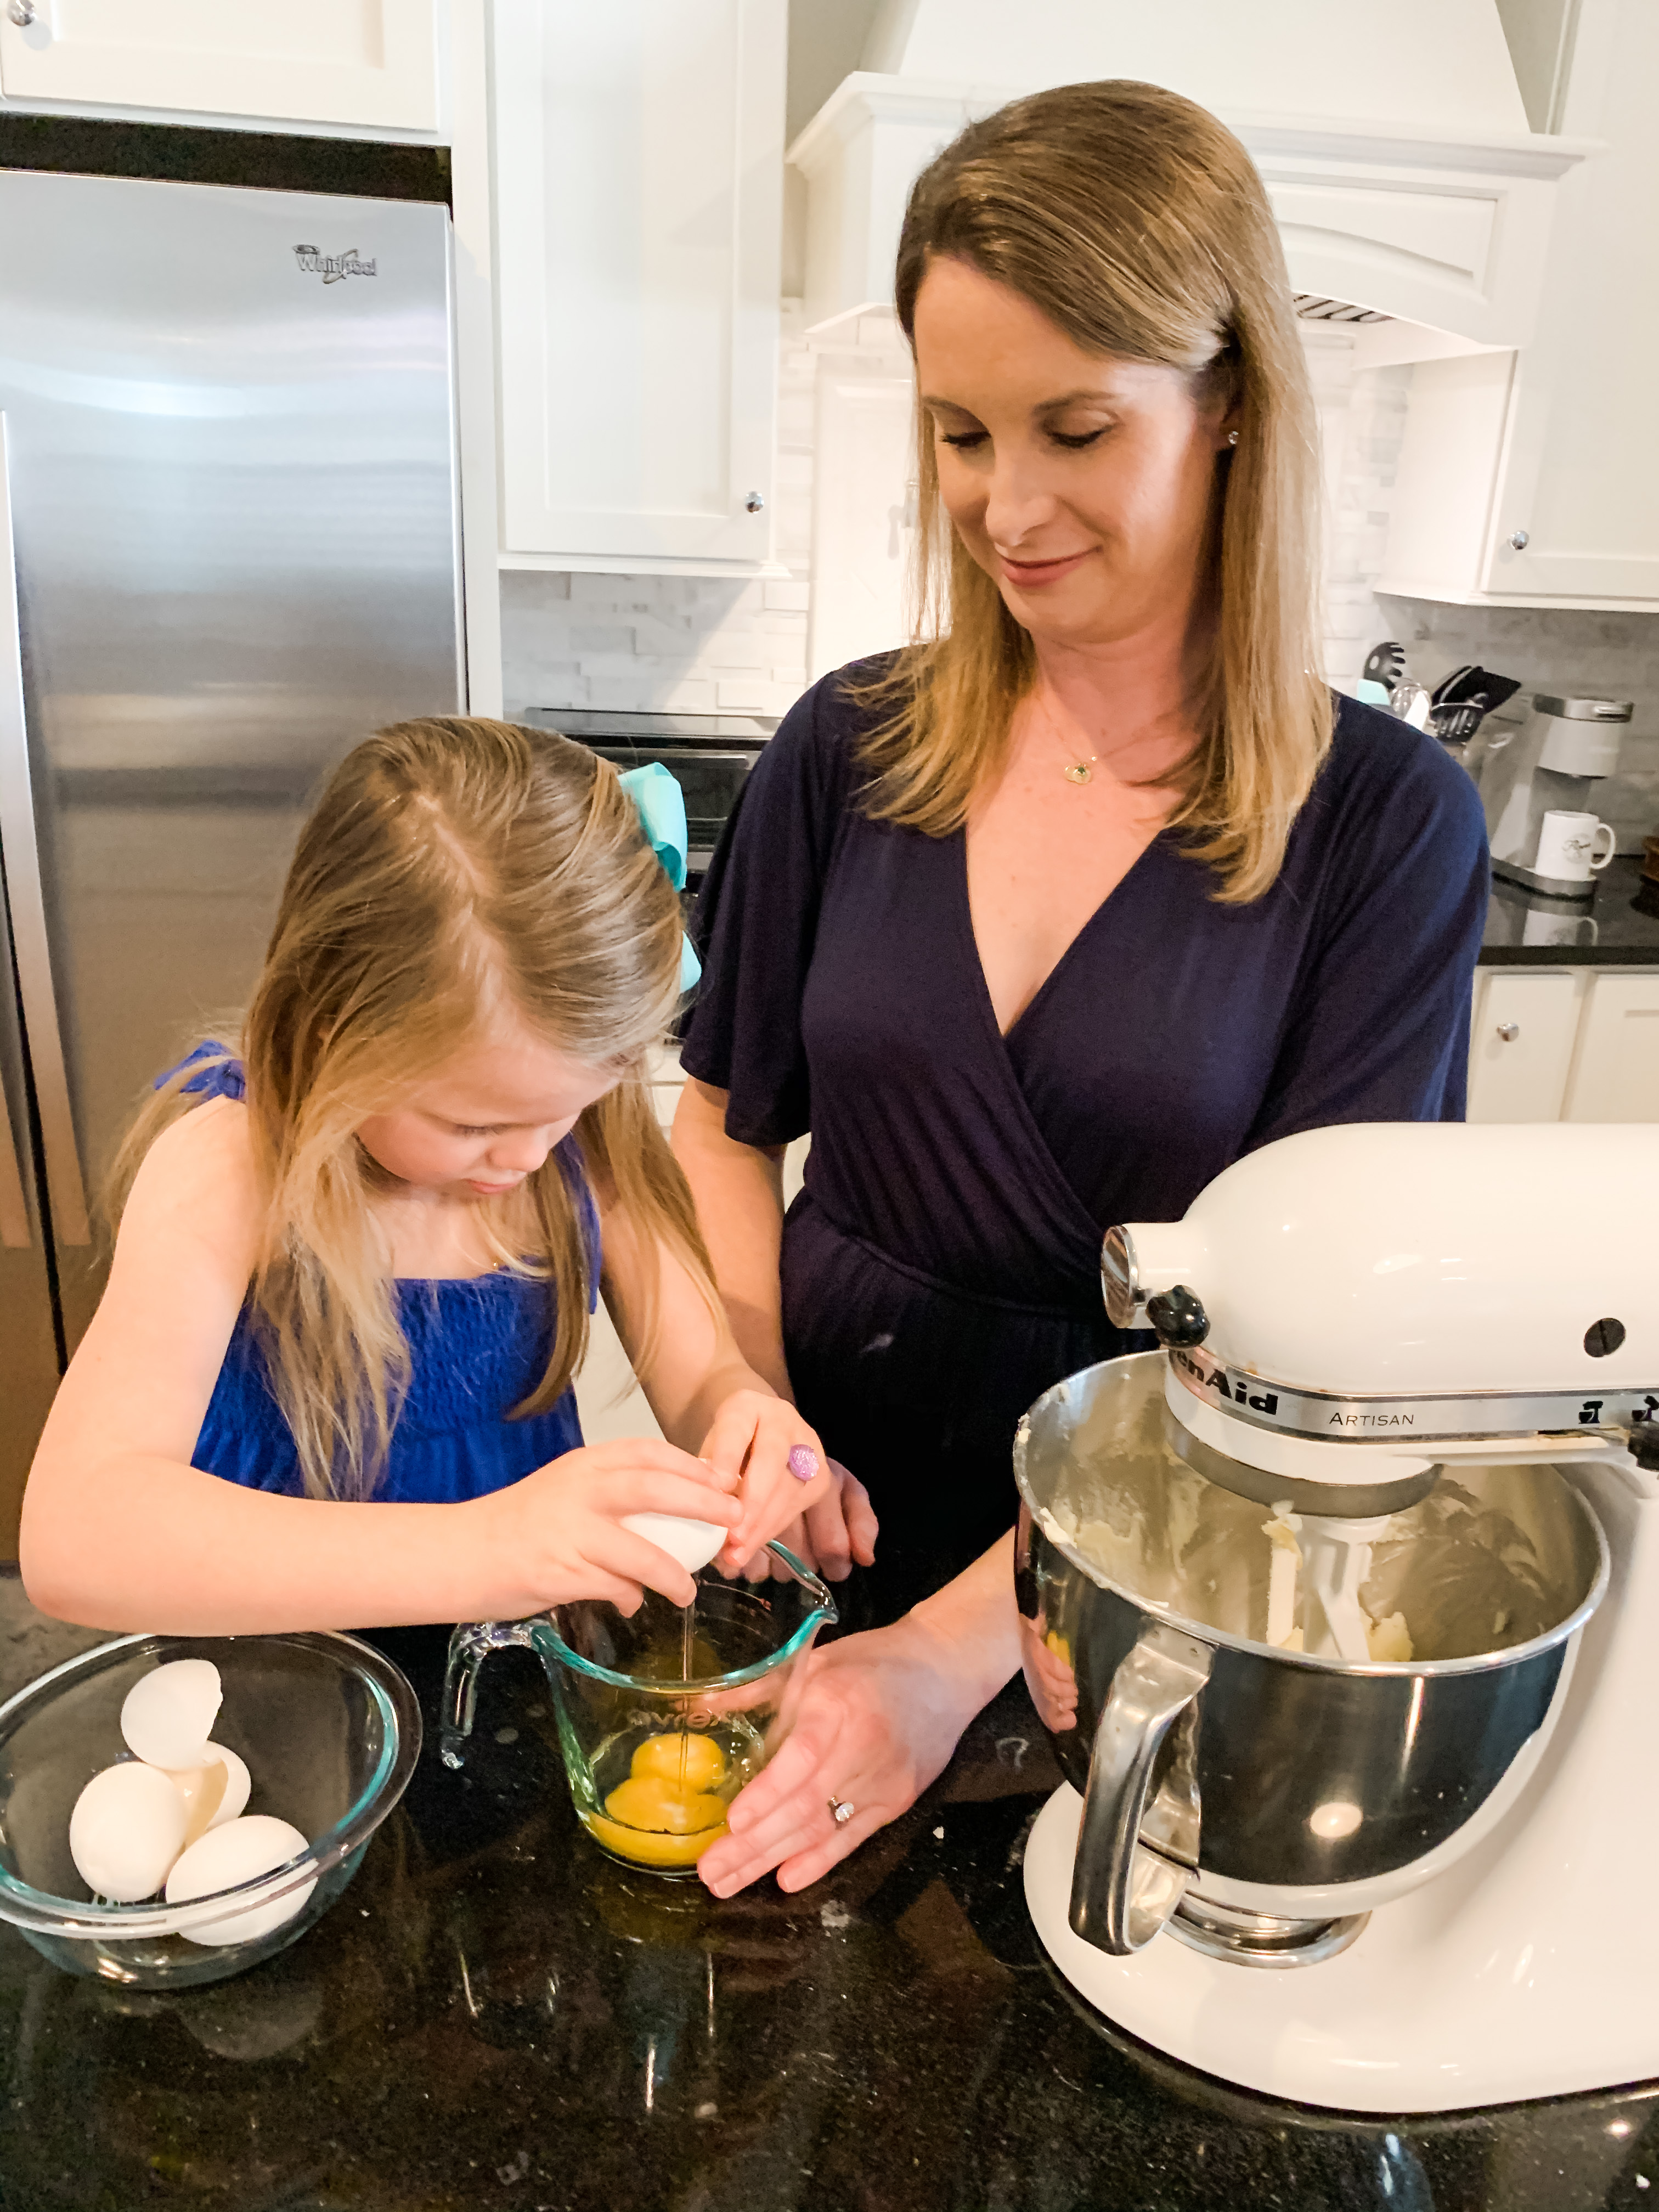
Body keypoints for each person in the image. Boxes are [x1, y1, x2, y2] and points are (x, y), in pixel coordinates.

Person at [676, 81, 1489, 1899]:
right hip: (816, 1532)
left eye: (1071, 427)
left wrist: (961, 1642)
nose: (1004, 505)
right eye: (960, 434)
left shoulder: (1383, 827)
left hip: (1144, 1579)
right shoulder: (848, 746)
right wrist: (736, 1399)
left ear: (1227, 418)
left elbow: (1293, 1347)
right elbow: (720, 1131)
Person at [21, 717, 849, 1633]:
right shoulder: (232, 1167)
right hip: (277, 1681)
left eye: (573, 1103)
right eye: (473, 1124)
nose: (533, 1156)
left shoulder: (583, 1148)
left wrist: (748, 1424)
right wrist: (486, 1549)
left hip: (503, 1673)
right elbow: (78, 1537)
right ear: (334, 1030)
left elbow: (703, 1380)